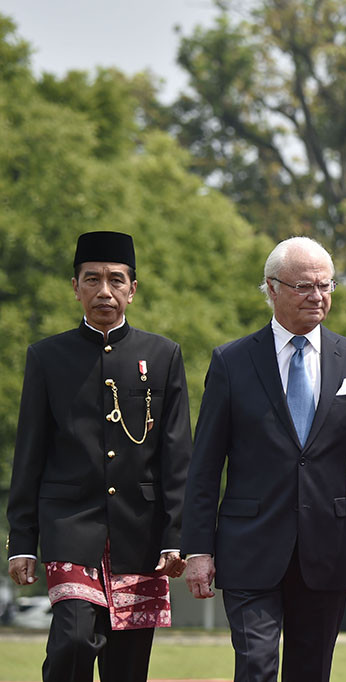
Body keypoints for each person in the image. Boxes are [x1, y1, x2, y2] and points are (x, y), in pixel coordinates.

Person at [181, 236, 346, 682]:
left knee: (310, 672)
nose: (318, 296)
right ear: (272, 288)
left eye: (326, 285)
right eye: (304, 286)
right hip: (249, 548)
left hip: (327, 548)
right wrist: (198, 549)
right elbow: (205, 466)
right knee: (256, 666)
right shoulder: (232, 362)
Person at [6, 230, 193, 682]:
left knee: (126, 667)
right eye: (91, 279)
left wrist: (176, 535)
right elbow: (29, 453)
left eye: (115, 279)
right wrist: (23, 540)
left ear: (133, 288)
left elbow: (176, 454)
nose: (103, 291)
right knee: (71, 639)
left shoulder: (163, 355)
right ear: (75, 287)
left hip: (141, 532)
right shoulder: (46, 357)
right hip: (70, 524)